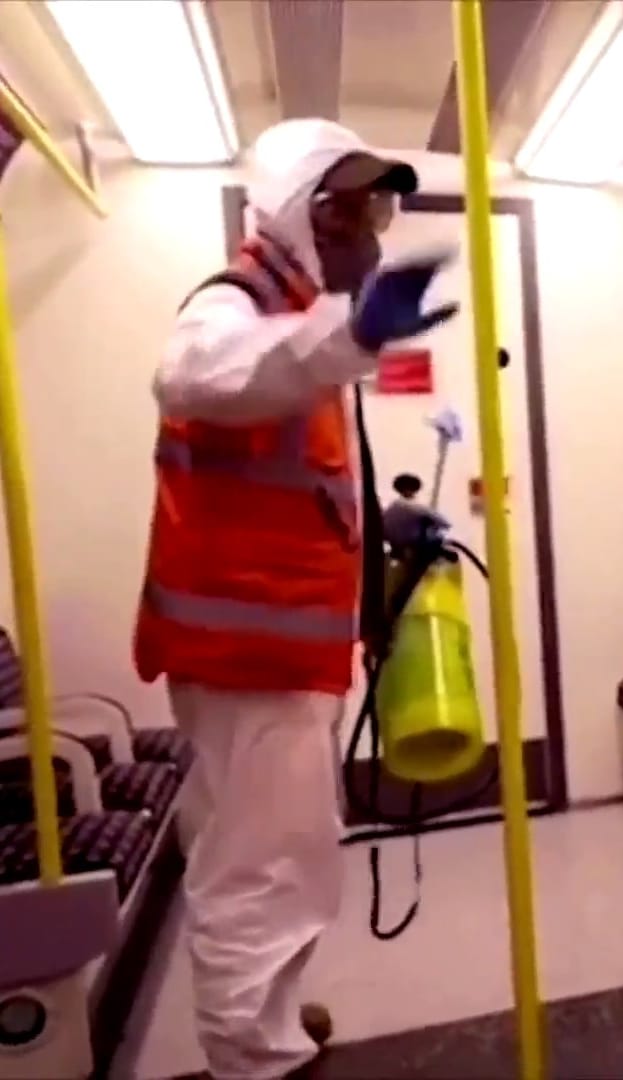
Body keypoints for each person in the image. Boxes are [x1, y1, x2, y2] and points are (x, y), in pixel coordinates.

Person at [133, 117, 459, 1080]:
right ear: (291, 214)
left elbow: (300, 484)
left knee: (286, 858)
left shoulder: (307, 325)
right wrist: (346, 336)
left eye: (379, 208)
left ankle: (266, 1020)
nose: (370, 231)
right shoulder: (237, 307)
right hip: (248, 660)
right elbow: (197, 374)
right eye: (348, 207)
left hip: (281, 657)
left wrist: (378, 539)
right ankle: (250, 1061)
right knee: (261, 874)